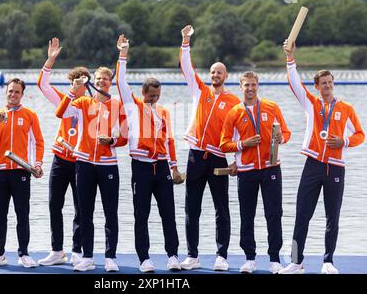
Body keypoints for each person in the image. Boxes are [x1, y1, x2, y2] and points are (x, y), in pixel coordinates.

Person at [279, 41, 365, 274]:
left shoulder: (345, 108)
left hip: (336, 168)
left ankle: (328, 261)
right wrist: (290, 58)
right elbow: (294, 83)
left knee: (332, 217)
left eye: (330, 82)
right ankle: (297, 262)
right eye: (323, 83)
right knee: (302, 215)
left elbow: (360, 135)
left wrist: (344, 142)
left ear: (333, 84)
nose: (327, 86)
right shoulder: (312, 104)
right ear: (316, 86)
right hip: (313, 165)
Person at [115, 34, 183, 272]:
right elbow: (120, 81)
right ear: (143, 93)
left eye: (157, 96)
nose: (154, 99)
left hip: (162, 166)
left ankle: (173, 255)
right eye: (151, 96)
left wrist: (174, 167)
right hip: (141, 167)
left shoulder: (163, 112)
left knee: (168, 214)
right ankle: (144, 258)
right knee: (141, 214)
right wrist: (123, 53)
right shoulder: (132, 106)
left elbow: (169, 139)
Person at [55, 59, 128, 272]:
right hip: (85, 163)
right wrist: (73, 89)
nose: (102, 82)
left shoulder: (117, 105)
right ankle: (87, 256)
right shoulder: (84, 103)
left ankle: (110, 257)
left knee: (110, 212)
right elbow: (60, 113)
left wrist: (112, 141)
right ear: (93, 82)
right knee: (85, 212)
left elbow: (124, 136)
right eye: (98, 79)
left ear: (110, 83)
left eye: (105, 79)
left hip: (108, 165)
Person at [178, 25, 240, 271]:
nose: (215, 75)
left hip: (218, 159)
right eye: (213, 71)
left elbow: (237, 133)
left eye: (220, 72)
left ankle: (221, 256)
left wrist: (235, 160)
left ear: (226, 76)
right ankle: (192, 256)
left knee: (221, 208)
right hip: (195, 156)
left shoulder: (234, 102)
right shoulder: (199, 91)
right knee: (191, 208)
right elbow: (185, 66)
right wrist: (185, 41)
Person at [220, 71, 291, 274]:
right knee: (247, 215)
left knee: (274, 214)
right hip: (247, 171)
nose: (250, 89)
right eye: (246, 85)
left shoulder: (271, 107)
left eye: (253, 85)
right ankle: (250, 258)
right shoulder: (234, 113)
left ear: (257, 85)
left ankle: (274, 259)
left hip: (271, 168)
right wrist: (244, 144)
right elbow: (224, 144)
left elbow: (286, 132)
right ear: (240, 87)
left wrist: (281, 139)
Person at [0, 78, 44, 268]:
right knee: (0, 214)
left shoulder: (30, 115)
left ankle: (24, 254)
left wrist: (37, 164)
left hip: (21, 172)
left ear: (22, 94)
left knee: (22, 213)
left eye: (17, 92)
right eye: (10, 91)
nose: (13, 95)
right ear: (5, 92)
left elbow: (38, 142)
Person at [36, 38, 85, 267]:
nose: (75, 85)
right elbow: (42, 85)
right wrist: (51, 59)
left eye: (80, 82)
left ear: (87, 83)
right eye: (73, 82)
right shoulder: (64, 100)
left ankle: (78, 250)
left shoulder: (93, 103)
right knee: (54, 204)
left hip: (80, 161)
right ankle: (57, 250)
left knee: (80, 207)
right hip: (60, 159)